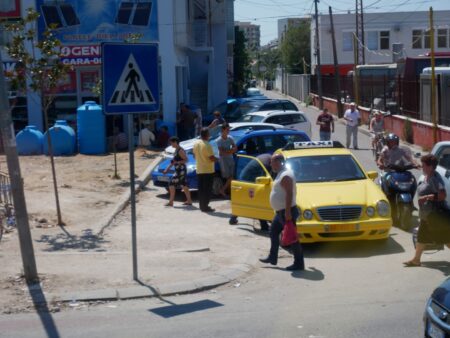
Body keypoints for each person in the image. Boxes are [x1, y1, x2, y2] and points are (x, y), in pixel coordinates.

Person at [259, 153, 305, 271]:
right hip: (281, 212)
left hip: (286, 212)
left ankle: (299, 263)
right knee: (273, 232)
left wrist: (288, 212)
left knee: (293, 239)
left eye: (272, 161)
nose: (270, 164)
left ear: (279, 162)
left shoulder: (285, 175)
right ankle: (272, 257)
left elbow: (289, 194)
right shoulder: (281, 173)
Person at [403, 154, 450, 267]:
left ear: (430, 167)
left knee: (445, 238)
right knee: (422, 237)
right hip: (427, 215)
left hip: (435, 215)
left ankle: (416, 259)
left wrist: (426, 197)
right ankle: (416, 259)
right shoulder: (427, 176)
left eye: (424, 165)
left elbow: (442, 195)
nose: (422, 167)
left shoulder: (435, 178)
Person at [229, 153, 272, 231]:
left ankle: (233, 218)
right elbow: (264, 178)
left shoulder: (267, 158)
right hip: (247, 178)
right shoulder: (266, 164)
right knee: (258, 201)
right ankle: (264, 225)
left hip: (247, 176)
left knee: (244, 200)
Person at [163, 136, 193, 207]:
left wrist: (177, 162)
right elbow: (173, 162)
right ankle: (189, 201)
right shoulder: (176, 150)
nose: (171, 144)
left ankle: (171, 202)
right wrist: (167, 169)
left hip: (181, 171)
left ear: (175, 142)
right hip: (179, 170)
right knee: (184, 185)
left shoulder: (180, 150)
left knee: (171, 184)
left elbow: (186, 160)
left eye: (172, 143)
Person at [193, 128, 218, 212]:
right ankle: (205, 206)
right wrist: (217, 159)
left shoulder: (196, 143)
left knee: (201, 189)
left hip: (199, 169)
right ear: (207, 135)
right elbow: (211, 158)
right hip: (208, 170)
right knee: (207, 190)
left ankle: (201, 206)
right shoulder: (207, 145)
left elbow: (194, 156)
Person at [217, 123, 237, 197]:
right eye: (227, 129)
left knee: (231, 177)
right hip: (223, 160)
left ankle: (225, 191)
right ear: (223, 130)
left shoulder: (230, 138)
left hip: (230, 159)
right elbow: (221, 152)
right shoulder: (219, 140)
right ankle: (222, 190)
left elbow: (235, 148)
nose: (228, 131)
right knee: (229, 177)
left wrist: (228, 151)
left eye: (229, 129)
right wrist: (230, 151)